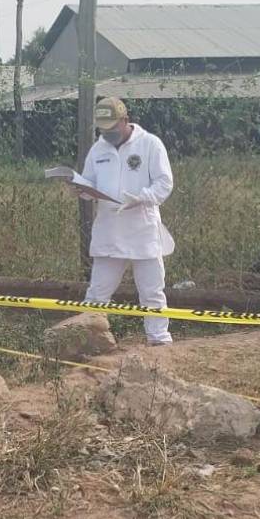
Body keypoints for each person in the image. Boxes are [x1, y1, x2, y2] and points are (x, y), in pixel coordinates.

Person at [73, 97, 176, 345]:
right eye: (103, 129)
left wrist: (141, 198)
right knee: (97, 292)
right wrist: (82, 189)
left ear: (125, 120)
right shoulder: (98, 150)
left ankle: (159, 340)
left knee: (152, 291)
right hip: (109, 230)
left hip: (142, 228)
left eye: (112, 128)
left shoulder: (150, 144)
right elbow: (89, 184)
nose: (108, 134)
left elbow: (164, 183)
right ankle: (88, 341)